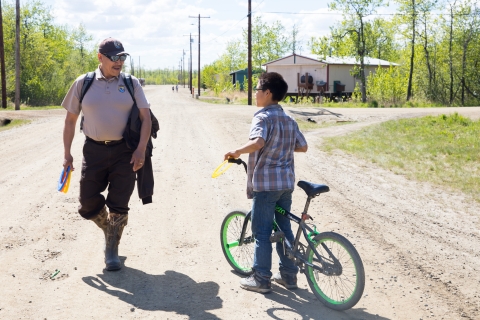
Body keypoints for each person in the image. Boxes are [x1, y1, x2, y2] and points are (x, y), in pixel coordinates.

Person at [62, 37, 152, 271]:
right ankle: (109, 228)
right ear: (100, 57)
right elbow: (70, 120)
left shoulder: (132, 83)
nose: (119, 62)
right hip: (93, 150)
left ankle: (112, 247)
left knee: (119, 203)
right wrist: (67, 154)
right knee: (87, 202)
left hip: (125, 151)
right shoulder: (84, 83)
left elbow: (146, 118)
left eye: (123, 57)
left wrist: (140, 148)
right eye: (115, 57)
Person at [224, 72, 308, 293]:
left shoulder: (262, 117)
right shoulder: (289, 120)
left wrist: (236, 151)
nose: (256, 93)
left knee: (262, 232)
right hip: (285, 184)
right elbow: (302, 146)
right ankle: (289, 276)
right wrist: (281, 146)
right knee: (284, 229)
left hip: (266, 184)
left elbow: (258, 141)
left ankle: (261, 279)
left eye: (258, 89)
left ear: (268, 93)